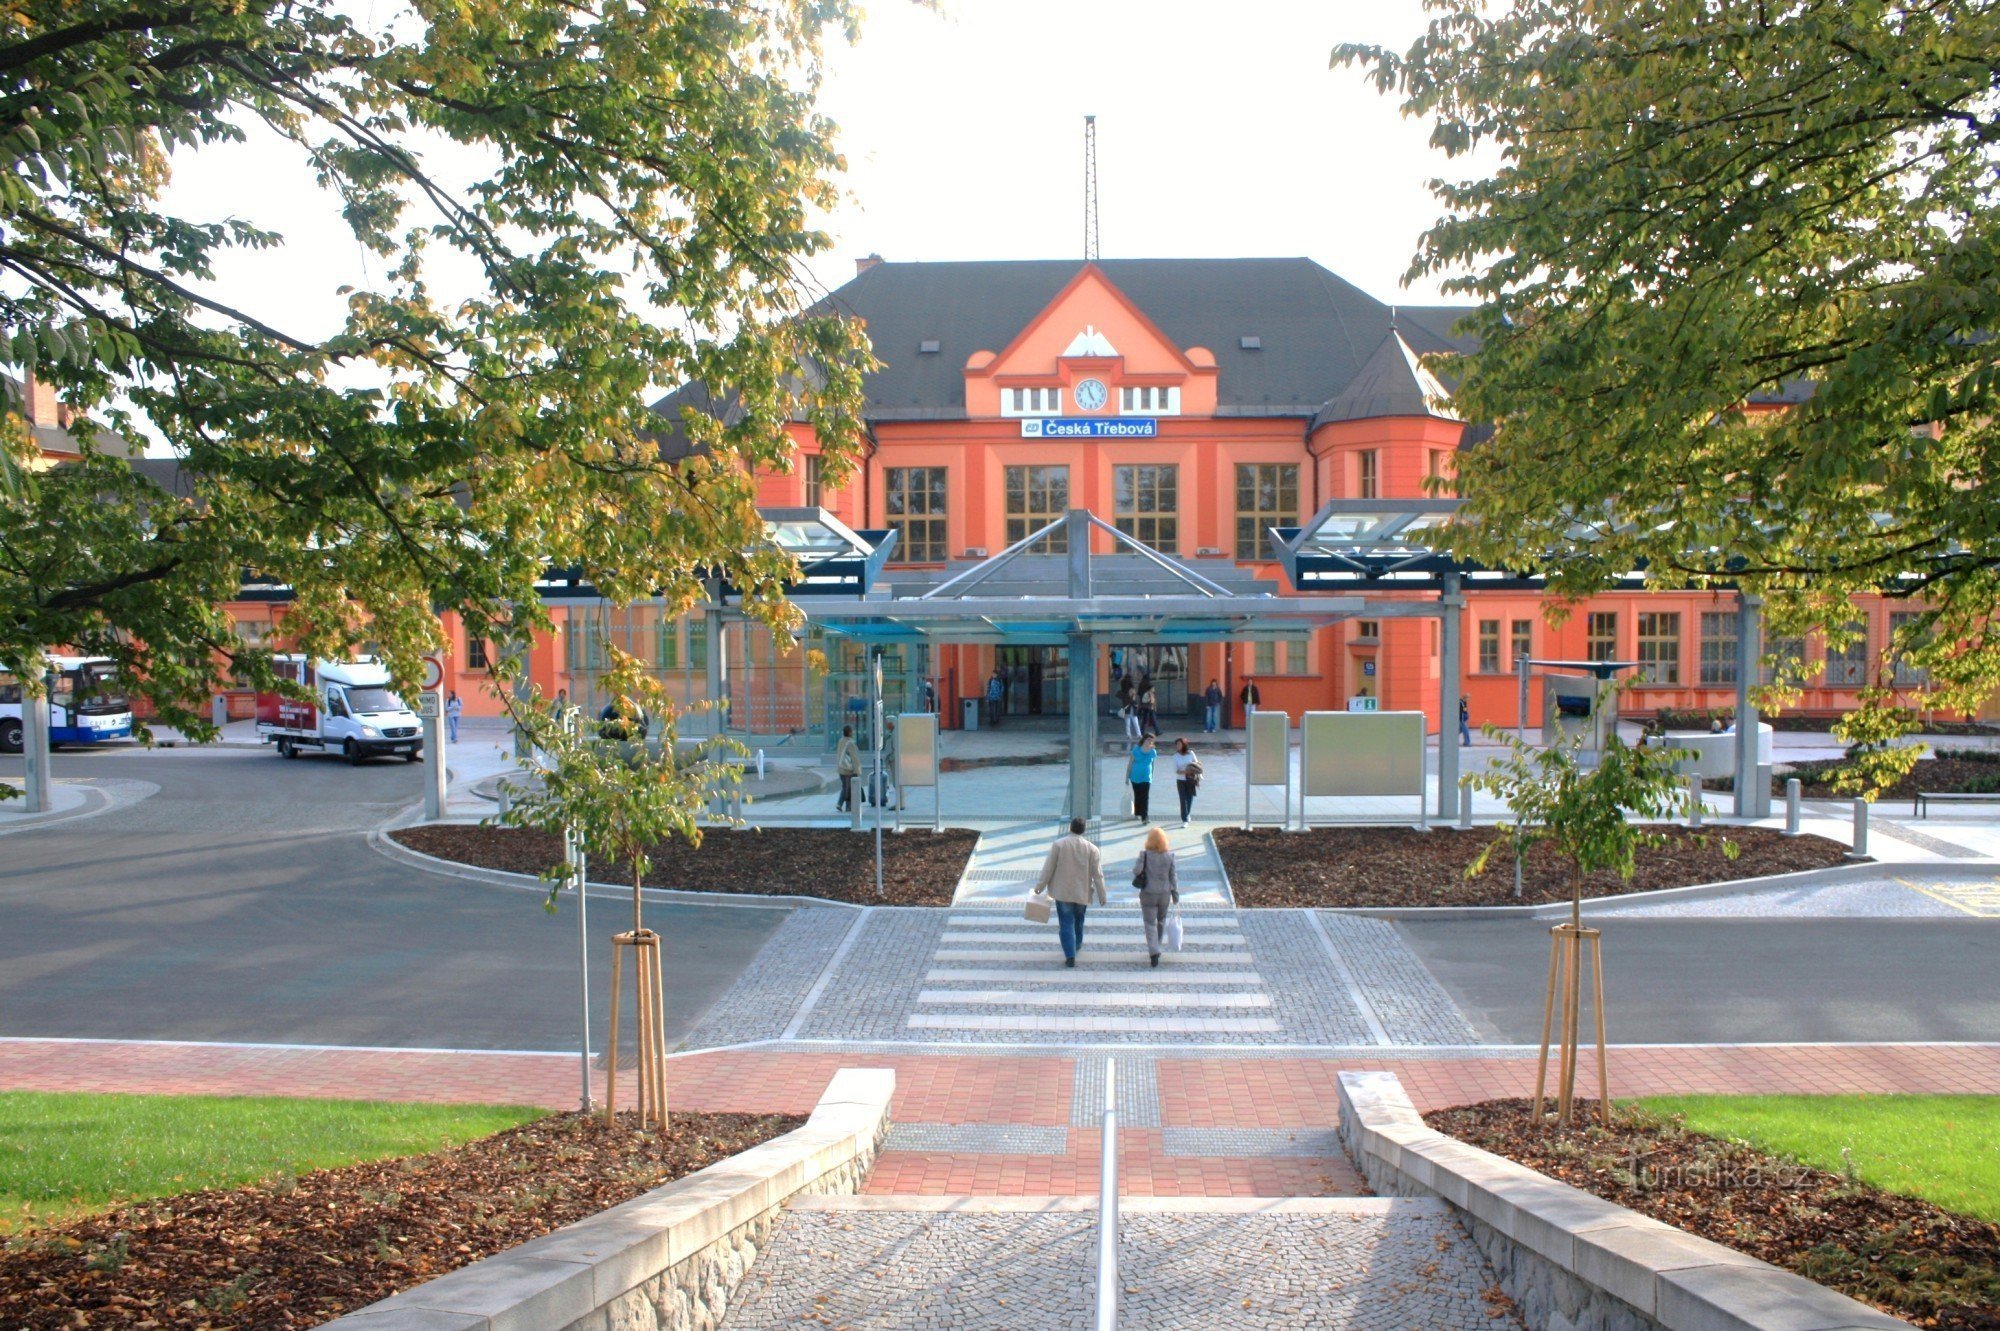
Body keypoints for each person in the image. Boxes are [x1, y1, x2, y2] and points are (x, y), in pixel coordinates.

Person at [1031, 817, 1106, 968]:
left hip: (1063, 892)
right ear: (1084, 830)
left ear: (1070, 828)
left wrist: (1039, 886)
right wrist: (1102, 894)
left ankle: (1070, 955)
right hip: (1082, 892)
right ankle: (1077, 944)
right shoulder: (1092, 849)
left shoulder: (1059, 845)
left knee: (1066, 922)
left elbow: (1048, 868)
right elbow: (1098, 875)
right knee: (1079, 920)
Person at [1132, 825, 1180, 967]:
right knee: (1161, 921)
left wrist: (1141, 862)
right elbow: (1173, 877)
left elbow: (1136, 871)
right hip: (1164, 894)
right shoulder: (1170, 856)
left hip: (1148, 893)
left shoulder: (1144, 854)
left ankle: (1154, 951)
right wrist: (1175, 894)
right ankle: (1157, 945)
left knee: (1149, 922)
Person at [1171, 737, 1202, 826]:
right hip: (1180, 780)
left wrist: (1193, 772)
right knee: (1183, 799)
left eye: (1179, 744)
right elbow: (1176, 771)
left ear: (1184, 744)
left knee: (1190, 798)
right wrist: (1187, 771)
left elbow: (1197, 765)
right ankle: (1184, 819)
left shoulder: (1190, 753)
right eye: (1176, 744)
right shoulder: (1175, 756)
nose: (1178, 746)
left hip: (1191, 779)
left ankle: (1187, 814)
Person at [1128, 734, 1158, 822]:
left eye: (1151, 740)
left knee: (1145, 796)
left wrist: (1152, 775)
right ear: (1144, 739)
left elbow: (1153, 764)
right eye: (1148, 739)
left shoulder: (1153, 751)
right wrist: (1127, 777)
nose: (1149, 741)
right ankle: (1137, 813)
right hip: (1135, 776)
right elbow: (1130, 763)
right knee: (1137, 795)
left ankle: (1145, 817)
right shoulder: (1136, 749)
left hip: (1146, 777)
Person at [834, 724, 862, 812]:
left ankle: (839, 803)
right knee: (849, 789)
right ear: (850, 732)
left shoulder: (840, 741)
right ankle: (848, 807)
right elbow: (854, 758)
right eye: (852, 731)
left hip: (841, 768)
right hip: (849, 770)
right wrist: (857, 770)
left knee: (845, 787)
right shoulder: (851, 743)